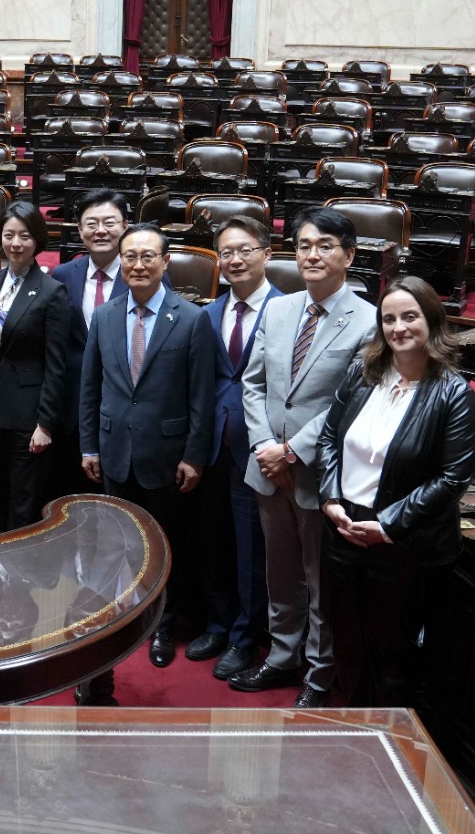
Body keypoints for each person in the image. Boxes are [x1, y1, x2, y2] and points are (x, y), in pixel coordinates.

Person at [232, 206, 376, 709]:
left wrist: (292, 451)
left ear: (349, 255)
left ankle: (318, 672)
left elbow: (351, 401)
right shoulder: (278, 308)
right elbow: (252, 384)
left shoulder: (367, 321)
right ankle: (282, 656)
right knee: (280, 573)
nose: (312, 255)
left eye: (325, 246)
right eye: (305, 245)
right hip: (267, 466)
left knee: (319, 580)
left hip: (317, 471)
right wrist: (263, 447)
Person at [318, 276, 475, 707]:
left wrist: (386, 525)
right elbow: (329, 439)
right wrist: (331, 498)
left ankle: (387, 735)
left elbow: (452, 478)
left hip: (405, 543)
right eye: (388, 319)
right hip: (343, 525)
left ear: (431, 321)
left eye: (409, 317)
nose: (398, 328)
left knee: (393, 649)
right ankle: (351, 716)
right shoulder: (362, 373)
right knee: (345, 633)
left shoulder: (454, 394)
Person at [80, 223, 216, 676]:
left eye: (147, 257)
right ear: (120, 262)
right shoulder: (104, 315)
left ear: (165, 262)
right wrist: (88, 446)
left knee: (166, 545)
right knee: (119, 543)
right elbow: (90, 388)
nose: (138, 265)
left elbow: (201, 396)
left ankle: (162, 624)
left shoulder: (192, 318)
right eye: (130, 257)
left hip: (168, 455)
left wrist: (194, 455)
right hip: (114, 448)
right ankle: (124, 618)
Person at [187, 215, 279, 682]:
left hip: (259, 448)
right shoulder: (207, 313)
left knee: (250, 548)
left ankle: (246, 636)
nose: (235, 259)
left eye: (245, 249)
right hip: (211, 444)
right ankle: (218, 623)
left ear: (267, 253)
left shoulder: (288, 310)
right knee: (213, 540)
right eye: (226, 252)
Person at [0, 201, 69, 534]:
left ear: (37, 241)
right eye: (9, 235)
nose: (15, 243)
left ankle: (16, 569)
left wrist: (46, 423)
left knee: (22, 496)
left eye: (24, 236)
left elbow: (57, 365)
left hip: (28, 416)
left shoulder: (52, 292)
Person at [48, 190, 131, 506]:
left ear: (124, 226)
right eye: (91, 223)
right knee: (70, 498)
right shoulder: (64, 274)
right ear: (79, 230)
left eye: (109, 222)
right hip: (71, 403)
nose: (100, 230)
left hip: (120, 402)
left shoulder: (142, 273)